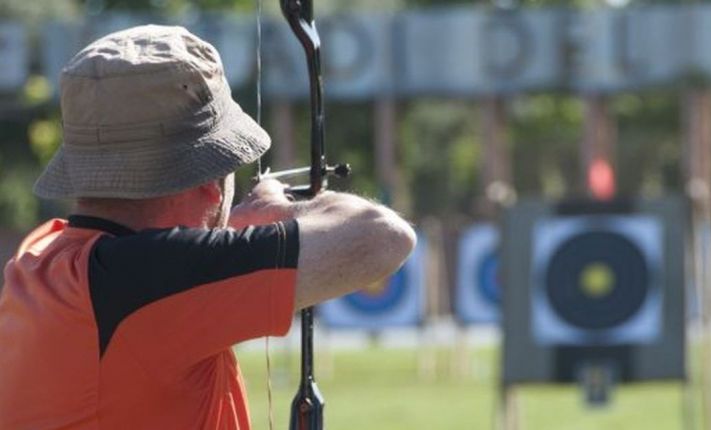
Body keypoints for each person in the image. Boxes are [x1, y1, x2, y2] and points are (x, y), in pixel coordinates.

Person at [0, 25, 416, 429]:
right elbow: (384, 237)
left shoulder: (41, 256)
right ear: (210, 182)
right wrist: (280, 212)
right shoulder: (143, 286)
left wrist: (231, 236)